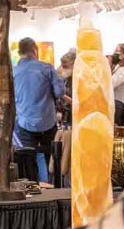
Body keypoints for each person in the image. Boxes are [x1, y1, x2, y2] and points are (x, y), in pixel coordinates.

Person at [13, 37, 64, 183]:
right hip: (47, 121)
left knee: (29, 159)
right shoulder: (47, 68)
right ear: (35, 50)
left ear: (19, 52)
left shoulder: (14, 72)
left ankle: (34, 190)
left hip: (25, 122)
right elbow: (60, 92)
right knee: (52, 159)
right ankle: (53, 187)